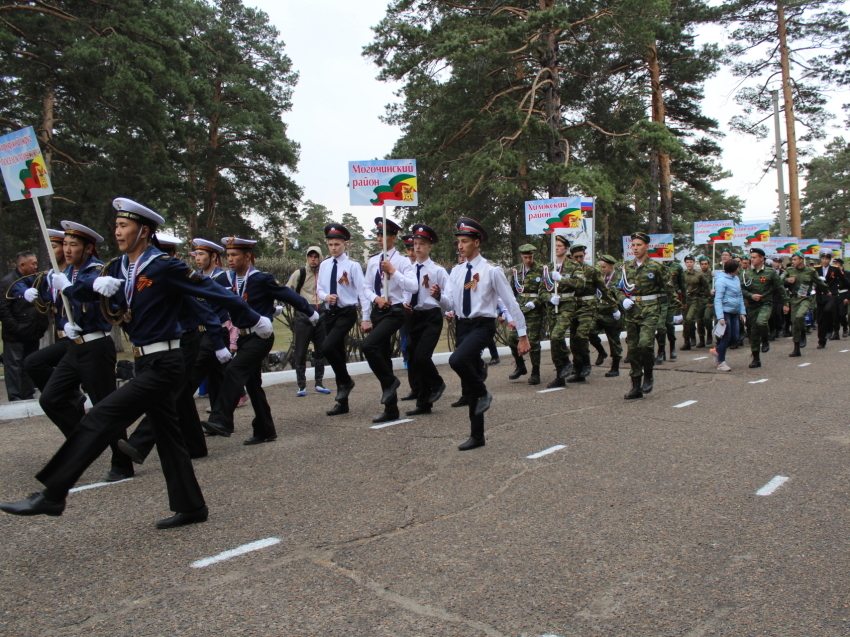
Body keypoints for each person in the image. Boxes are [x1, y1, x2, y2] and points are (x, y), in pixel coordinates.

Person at [0, 197, 268, 528]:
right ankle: (192, 506)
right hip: (144, 361)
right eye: (115, 226)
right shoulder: (117, 265)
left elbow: (212, 292)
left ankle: (53, 492)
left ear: (143, 231)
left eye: (123, 226)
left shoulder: (164, 265)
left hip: (166, 362)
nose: (117, 232)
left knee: (101, 415)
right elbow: (90, 292)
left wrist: (253, 318)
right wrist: (76, 285)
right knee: (169, 439)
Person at [27, 221, 135, 481]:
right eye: (64, 244)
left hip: (96, 346)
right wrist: (64, 322)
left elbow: (88, 293)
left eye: (73, 245)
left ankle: (122, 463)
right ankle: (86, 441)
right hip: (74, 348)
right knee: (50, 399)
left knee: (105, 406)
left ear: (88, 248)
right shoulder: (68, 273)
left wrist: (66, 288)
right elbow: (62, 308)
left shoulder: (95, 271)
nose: (67, 249)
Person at [118, 233, 229, 465]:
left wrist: (218, 344)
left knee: (168, 392)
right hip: (168, 344)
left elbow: (205, 311)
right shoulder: (145, 278)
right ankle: (196, 445)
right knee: (182, 395)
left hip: (186, 342)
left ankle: (140, 442)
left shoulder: (173, 278)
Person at [202, 237, 317, 444]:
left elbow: (286, 294)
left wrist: (309, 311)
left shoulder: (260, 278)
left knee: (234, 370)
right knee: (253, 384)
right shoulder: (223, 280)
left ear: (247, 256)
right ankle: (265, 429)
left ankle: (221, 420)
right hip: (242, 337)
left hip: (261, 336)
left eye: (234, 255)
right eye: (228, 255)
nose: (230, 259)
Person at [447, 218, 528, 450]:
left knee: (457, 360)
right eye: (458, 242)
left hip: (483, 325)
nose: (460, 246)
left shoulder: (491, 270)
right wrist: (436, 297)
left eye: (465, 241)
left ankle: (483, 390)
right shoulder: (457, 271)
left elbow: (510, 301)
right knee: (469, 376)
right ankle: (477, 435)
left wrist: (522, 334)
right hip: (462, 326)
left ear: (477, 242)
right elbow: (450, 302)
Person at [360, 218, 417, 423]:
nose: (379, 239)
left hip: (395, 311)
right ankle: (391, 408)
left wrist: (394, 271)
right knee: (382, 357)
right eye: (377, 235)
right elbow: (365, 287)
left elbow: (413, 286)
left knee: (368, 345)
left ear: (393, 238)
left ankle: (391, 382)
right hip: (379, 309)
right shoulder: (374, 260)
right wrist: (375, 300)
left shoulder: (402, 261)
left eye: (383, 235)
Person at [619, 232, 678, 399]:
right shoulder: (625, 267)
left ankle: (649, 375)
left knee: (645, 345)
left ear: (647, 246)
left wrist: (676, 313)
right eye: (633, 245)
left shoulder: (656, 268)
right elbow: (617, 289)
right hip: (632, 311)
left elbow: (669, 291)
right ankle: (636, 385)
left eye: (639, 245)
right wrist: (622, 299)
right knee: (633, 348)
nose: (635, 248)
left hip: (650, 310)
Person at [402, 224, 452, 416]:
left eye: (422, 244)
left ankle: (437, 383)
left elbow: (449, 299)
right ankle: (423, 403)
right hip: (414, 316)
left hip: (431, 316)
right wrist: (406, 304)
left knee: (422, 356)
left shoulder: (438, 271)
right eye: (415, 243)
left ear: (430, 246)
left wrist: (439, 296)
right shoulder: (410, 269)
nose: (417, 247)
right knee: (415, 359)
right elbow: (407, 292)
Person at [317, 223, 365, 416]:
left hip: (346, 312)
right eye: (330, 244)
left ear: (345, 244)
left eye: (337, 244)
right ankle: (342, 402)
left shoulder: (352, 266)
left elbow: (362, 292)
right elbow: (319, 288)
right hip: (330, 312)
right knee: (337, 353)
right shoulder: (325, 264)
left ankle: (346, 381)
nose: (333, 248)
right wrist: (326, 297)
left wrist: (366, 317)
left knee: (327, 347)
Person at [19, 230, 71, 394]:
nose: (49, 252)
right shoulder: (49, 276)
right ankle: (68, 394)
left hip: (78, 337)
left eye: (53, 247)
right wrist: (24, 292)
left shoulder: (75, 273)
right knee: (34, 363)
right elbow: (16, 283)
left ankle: (66, 393)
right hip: (60, 336)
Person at [556, 244, 614, 383]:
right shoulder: (566, 270)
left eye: (581, 256)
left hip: (587, 307)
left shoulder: (592, 271)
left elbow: (603, 289)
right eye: (576, 257)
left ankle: (586, 362)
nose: (579, 259)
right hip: (572, 306)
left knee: (582, 335)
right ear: (571, 257)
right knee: (574, 340)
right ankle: (578, 371)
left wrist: (614, 307)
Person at [188, 238, 231, 409]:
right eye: (195, 254)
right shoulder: (196, 278)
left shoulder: (221, 277)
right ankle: (220, 419)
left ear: (213, 257)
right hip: (199, 333)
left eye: (201, 254)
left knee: (193, 375)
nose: (197, 258)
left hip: (216, 332)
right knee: (216, 378)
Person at [0, 251, 47, 401]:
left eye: (36, 263)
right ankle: (15, 397)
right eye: (32, 263)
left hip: (33, 332)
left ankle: (28, 394)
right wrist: (16, 328)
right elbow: (3, 309)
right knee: (13, 366)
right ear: (22, 265)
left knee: (29, 365)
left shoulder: (35, 280)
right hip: (15, 333)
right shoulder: (8, 282)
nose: (35, 266)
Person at [286, 245, 330, 396]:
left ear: (320, 258)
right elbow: (287, 291)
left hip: (321, 314)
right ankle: (301, 385)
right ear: (307, 257)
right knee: (301, 352)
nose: (313, 259)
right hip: (304, 316)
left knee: (320, 351)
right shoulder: (300, 273)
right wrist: (298, 305)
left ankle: (319, 383)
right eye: (311, 256)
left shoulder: (324, 273)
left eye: (316, 256)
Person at [506, 244, 550, 385]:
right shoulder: (516, 271)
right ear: (521, 256)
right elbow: (511, 292)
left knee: (534, 341)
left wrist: (535, 302)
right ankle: (520, 366)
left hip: (535, 310)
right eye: (525, 257)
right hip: (520, 310)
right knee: (512, 338)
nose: (528, 260)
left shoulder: (542, 270)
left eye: (530, 257)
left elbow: (546, 291)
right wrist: (507, 314)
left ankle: (535, 372)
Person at [741, 247, 788, 368]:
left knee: (761, 322)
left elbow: (780, 289)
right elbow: (741, 290)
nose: (752, 260)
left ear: (762, 258)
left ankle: (765, 339)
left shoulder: (770, 272)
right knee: (753, 332)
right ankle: (756, 358)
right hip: (752, 306)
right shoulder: (747, 273)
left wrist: (785, 303)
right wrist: (751, 295)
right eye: (751, 258)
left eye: (754, 257)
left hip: (765, 304)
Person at [782, 251, 829, 357]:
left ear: (801, 260)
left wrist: (827, 291)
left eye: (795, 259)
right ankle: (796, 348)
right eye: (792, 260)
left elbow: (819, 282)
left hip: (806, 298)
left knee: (799, 316)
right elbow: (779, 280)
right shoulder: (789, 270)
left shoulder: (810, 271)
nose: (793, 262)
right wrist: (787, 280)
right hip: (794, 299)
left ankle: (803, 332)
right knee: (794, 324)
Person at [544, 235, 576, 388]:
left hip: (567, 305)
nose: (556, 248)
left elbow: (581, 284)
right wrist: (549, 297)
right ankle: (559, 375)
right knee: (554, 341)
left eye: (559, 246)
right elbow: (541, 290)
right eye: (555, 245)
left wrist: (562, 279)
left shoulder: (573, 266)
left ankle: (566, 360)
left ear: (566, 248)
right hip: (553, 306)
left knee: (557, 335)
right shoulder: (548, 267)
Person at [711, 259, 746, 372]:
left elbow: (740, 296)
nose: (739, 270)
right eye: (737, 268)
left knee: (735, 337)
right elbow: (718, 299)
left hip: (734, 312)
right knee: (726, 337)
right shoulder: (721, 281)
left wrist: (742, 311)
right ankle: (721, 362)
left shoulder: (736, 279)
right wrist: (720, 316)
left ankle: (717, 350)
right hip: (725, 312)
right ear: (733, 269)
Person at [592, 254, 624, 377]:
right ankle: (601, 351)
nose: (603, 269)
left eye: (605, 267)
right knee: (589, 331)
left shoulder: (619, 279)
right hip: (599, 311)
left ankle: (615, 367)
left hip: (612, 313)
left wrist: (617, 310)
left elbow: (621, 295)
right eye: (601, 267)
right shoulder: (601, 278)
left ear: (611, 265)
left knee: (614, 341)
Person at [814, 250, 849, 347]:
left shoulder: (835, 269)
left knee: (827, 310)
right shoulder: (816, 269)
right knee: (820, 319)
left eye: (827, 259)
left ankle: (830, 328)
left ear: (829, 260)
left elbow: (844, 280)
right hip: (820, 295)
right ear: (821, 259)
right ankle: (821, 341)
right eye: (823, 259)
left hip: (832, 295)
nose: (825, 261)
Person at [656, 258, 686, 362]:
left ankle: (672, 347)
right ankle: (661, 351)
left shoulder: (676, 268)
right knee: (660, 328)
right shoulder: (652, 268)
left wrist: (680, 306)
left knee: (669, 326)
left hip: (669, 302)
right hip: (656, 302)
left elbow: (680, 286)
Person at [681, 255, 708, 351]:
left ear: (694, 263)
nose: (689, 264)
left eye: (691, 262)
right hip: (684, 299)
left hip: (695, 299)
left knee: (689, 318)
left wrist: (707, 298)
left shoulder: (699, 275)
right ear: (685, 263)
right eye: (687, 262)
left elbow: (705, 286)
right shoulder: (682, 274)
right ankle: (686, 341)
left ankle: (694, 337)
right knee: (685, 321)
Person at [697, 256, 714, 347]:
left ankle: (709, 334)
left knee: (707, 318)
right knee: (699, 320)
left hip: (709, 299)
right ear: (700, 265)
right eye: (702, 264)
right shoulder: (697, 274)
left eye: (706, 264)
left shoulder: (712, 274)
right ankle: (701, 339)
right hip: (699, 299)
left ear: (709, 264)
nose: (704, 266)